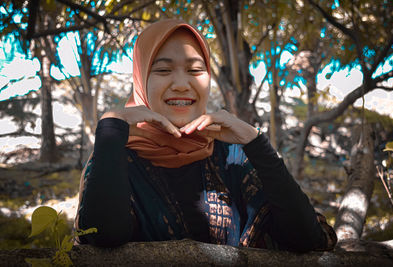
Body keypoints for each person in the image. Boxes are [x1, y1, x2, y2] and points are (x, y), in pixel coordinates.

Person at [74, 19, 336, 252]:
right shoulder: (116, 156)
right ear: (141, 78)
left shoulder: (232, 155)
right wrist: (111, 126)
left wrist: (255, 141)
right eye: (163, 70)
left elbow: (307, 237)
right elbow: (102, 236)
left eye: (195, 70)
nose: (180, 84)